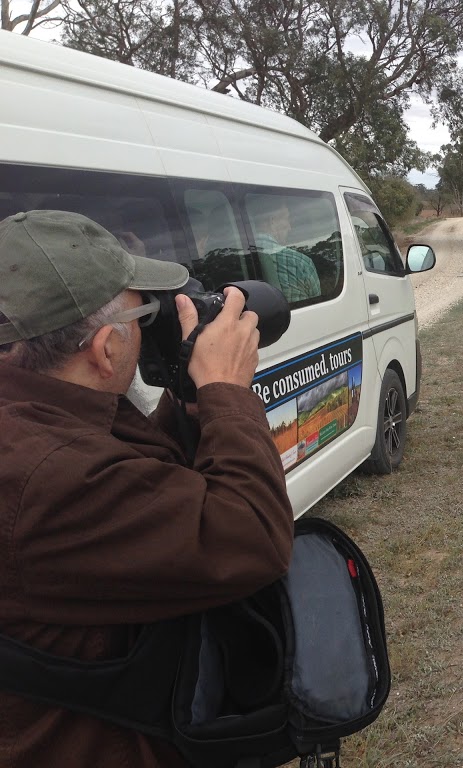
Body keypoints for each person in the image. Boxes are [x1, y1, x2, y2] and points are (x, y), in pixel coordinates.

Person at [0, 210, 294, 768]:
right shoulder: (44, 477)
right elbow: (253, 539)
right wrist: (228, 392)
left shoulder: (33, 423)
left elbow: (131, 484)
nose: (149, 328)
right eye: (144, 314)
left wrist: (189, 400)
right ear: (106, 348)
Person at [252, 200, 321, 302]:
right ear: (272, 221)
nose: (289, 227)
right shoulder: (300, 262)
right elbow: (317, 304)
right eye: (287, 219)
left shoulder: (240, 256)